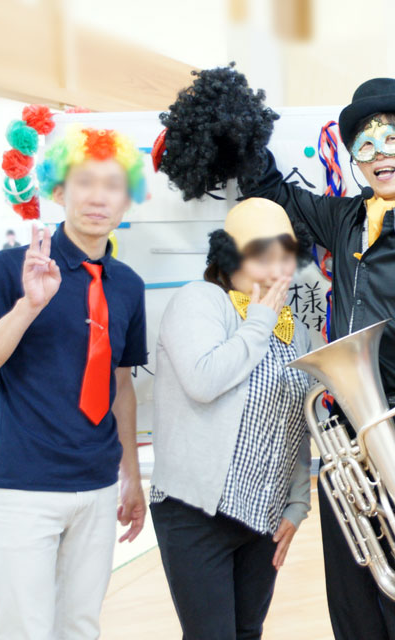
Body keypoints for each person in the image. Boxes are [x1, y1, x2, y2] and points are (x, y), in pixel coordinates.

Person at [156, 68, 395, 640]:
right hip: (346, 446)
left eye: (393, 140)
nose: (379, 155)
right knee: (354, 602)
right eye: (365, 146)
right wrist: (239, 132)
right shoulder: (346, 219)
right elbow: (276, 195)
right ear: (356, 160)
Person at [0, 124, 148, 640]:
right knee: (24, 630)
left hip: (98, 484)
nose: (99, 197)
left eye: (113, 185)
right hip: (24, 484)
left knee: (80, 627)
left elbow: (121, 384)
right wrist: (28, 306)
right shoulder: (10, 268)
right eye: (85, 182)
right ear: (58, 190)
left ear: (127, 199)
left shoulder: (128, 285)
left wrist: (130, 474)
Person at [149, 198, 314, 639]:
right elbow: (204, 380)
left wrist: (298, 503)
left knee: (248, 632)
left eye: (285, 255)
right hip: (194, 512)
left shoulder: (294, 330)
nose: (276, 269)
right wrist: (259, 321)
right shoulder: (200, 300)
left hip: (264, 516)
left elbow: (296, 423)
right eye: (261, 254)